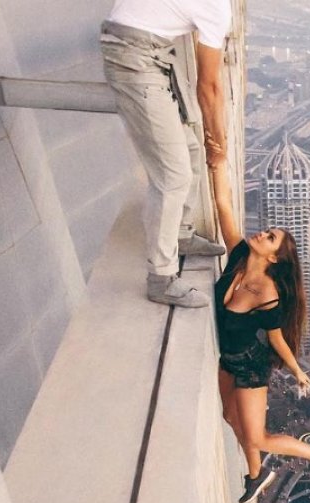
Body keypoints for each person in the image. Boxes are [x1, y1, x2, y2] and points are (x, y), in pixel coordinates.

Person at [210, 157, 310, 503]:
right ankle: (257, 475)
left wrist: (298, 371)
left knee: (258, 438)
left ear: (273, 257)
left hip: (251, 367)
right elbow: (223, 204)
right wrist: (217, 165)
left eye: (270, 237)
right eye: (267, 231)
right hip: (228, 359)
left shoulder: (268, 294)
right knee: (229, 416)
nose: (262, 233)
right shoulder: (239, 254)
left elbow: (276, 339)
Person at [100, 0, 229, 308]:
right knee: (173, 176)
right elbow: (209, 87)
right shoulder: (217, 7)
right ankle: (161, 278)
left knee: (191, 150)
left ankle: (180, 234)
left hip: (145, 52)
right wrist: (220, 143)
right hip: (134, 58)